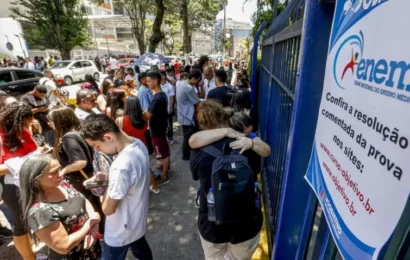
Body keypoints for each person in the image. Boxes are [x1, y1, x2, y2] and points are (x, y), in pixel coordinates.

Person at [190, 101, 263, 260]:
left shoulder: (198, 152)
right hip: (247, 225)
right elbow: (257, 168)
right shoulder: (247, 145)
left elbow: (196, 176)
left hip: (212, 224)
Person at [80, 114, 153, 260]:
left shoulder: (121, 166)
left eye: (97, 146)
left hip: (120, 230)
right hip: (136, 221)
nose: (98, 151)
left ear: (108, 137)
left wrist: (105, 186)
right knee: (139, 246)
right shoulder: (138, 143)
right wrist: (108, 178)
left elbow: (108, 209)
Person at [19, 155, 102, 259]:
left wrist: (94, 224)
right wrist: (91, 223)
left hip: (93, 250)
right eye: (54, 172)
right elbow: (64, 246)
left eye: (59, 169)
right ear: (36, 180)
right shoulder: (39, 211)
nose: (60, 174)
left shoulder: (62, 184)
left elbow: (83, 199)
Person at [48, 105, 104, 233]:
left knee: (90, 208)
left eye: (51, 121)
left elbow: (80, 162)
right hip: (90, 176)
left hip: (81, 181)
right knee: (96, 206)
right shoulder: (78, 132)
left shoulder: (68, 138)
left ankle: (99, 232)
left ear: (60, 121)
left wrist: (64, 170)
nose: (50, 124)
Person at [0, 102, 37, 259]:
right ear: (15, 120)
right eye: (25, 123)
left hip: (30, 181)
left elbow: (31, 149)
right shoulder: (1, 138)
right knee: (21, 224)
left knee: (33, 219)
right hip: (12, 187)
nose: (28, 126)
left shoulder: (22, 132)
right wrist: (21, 163)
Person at [115, 97, 160, 193]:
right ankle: (155, 187)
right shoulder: (144, 117)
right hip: (142, 146)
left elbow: (117, 136)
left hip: (127, 149)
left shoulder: (120, 120)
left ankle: (136, 190)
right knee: (146, 167)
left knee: (131, 170)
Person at [145, 72, 170, 184]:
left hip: (157, 129)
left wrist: (141, 112)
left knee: (162, 153)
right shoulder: (162, 94)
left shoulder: (157, 98)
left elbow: (148, 114)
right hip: (161, 126)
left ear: (156, 81)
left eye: (149, 81)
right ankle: (165, 166)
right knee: (164, 149)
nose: (147, 83)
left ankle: (165, 176)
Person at [176, 69, 201, 160]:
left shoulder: (181, 83)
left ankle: (186, 154)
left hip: (183, 113)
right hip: (187, 115)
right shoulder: (189, 88)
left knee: (187, 136)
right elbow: (197, 101)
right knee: (188, 137)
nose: (197, 83)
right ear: (193, 78)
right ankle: (186, 155)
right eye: (197, 81)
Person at [159, 70, 175, 145]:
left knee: (169, 125)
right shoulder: (158, 86)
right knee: (162, 125)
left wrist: (171, 107)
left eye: (163, 75)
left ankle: (170, 137)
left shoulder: (169, 86)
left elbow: (172, 98)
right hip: (160, 109)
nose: (162, 77)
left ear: (165, 76)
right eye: (160, 75)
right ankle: (163, 138)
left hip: (167, 108)